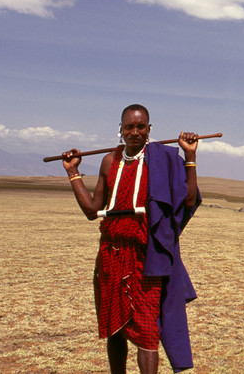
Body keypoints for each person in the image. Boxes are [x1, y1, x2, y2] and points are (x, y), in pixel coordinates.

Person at [61, 104, 201, 374]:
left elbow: (188, 200)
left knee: (147, 329)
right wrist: (72, 172)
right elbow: (92, 210)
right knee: (115, 327)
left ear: (149, 130)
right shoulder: (109, 161)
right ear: (120, 130)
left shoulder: (163, 159)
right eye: (129, 127)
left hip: (146, 256)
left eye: (140, 127)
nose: (134, 132)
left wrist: (190, 156)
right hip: (111, 255)